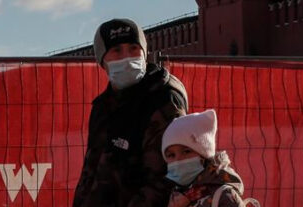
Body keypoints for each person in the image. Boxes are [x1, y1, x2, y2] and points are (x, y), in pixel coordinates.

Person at [73, 18, 188, 207]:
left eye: (134, 48)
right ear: (102, 60)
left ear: (144, 52)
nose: (126, 57)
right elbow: (90, 173)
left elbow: (168, 177)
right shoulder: (102, 107)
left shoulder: (162, 99)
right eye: (116, 50)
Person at [161, 110, 252, 207]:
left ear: (203, 156)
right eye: (171, 155)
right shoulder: (174, 195)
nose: (178, 160)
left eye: (186, 151)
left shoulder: (224, 195)